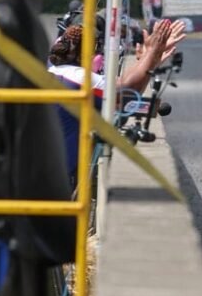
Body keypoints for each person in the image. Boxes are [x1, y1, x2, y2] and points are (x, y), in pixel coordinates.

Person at [47, 18, 185, 180]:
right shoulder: (79, 78)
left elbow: (124, 94)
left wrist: (149, 60)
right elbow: (127, 93)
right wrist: (153, 53)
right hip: (60, 173)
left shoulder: (56, 72)